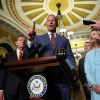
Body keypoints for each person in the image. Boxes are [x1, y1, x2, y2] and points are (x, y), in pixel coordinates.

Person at [26, 14, 76, 100]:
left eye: (53, 20)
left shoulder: (64, 40)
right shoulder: (38, 39)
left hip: (63, 78)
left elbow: (70, 56)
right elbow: (30, 55)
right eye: (49, 20)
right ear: (46, 23)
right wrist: (30, 40)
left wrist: (73, 69)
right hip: (46, 79)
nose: (51, 22)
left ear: (56, 24)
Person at [4, 35, 33, 100]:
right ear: (16, 43)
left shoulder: (28, 56)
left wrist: (31, 89)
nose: (23, 41)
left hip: (24, 89)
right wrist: (1, 89)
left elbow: (30, 73)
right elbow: (4, 72)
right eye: (20, 40)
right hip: (10, 88)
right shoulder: (9, 55)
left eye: (24, 41)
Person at [85, 30, 100, 100]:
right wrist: (93, 86)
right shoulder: (88, 54)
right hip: (95, 89)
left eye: (94, 34)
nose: (91, 36)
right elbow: (88, 72)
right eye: (90, 35)